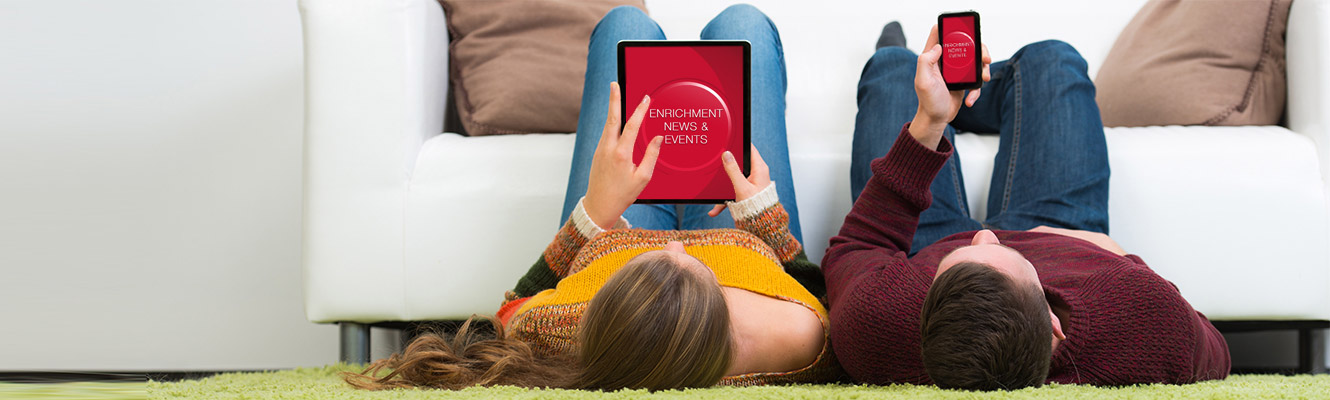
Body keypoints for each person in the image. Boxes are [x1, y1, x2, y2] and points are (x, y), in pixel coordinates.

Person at [345, 5, 839, 392]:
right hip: (743, 228)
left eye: (654, 262)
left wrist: (596, 210)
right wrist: (762, 217)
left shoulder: (562, 326)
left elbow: (516, 305)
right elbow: (816, 292)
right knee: (743, 23)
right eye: (691, 265)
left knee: (624, 24)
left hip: (612, 226)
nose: (675, 245)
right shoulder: (795, 335)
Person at [823, 23, 1231, 390]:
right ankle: (973, 97)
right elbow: (1212, 344)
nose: (984, 235)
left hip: (924, 241)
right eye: (999, 250)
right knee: (1053, 58)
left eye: (964, 256)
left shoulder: (881, 322)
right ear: (1053, 326)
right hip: (1060, 231)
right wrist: (1115, 254)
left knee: (892, 68)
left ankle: (947, 100)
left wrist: (929, 122)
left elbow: (855, 247)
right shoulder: (1133, 315)